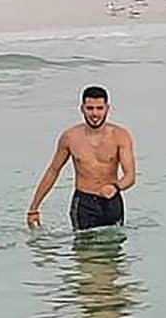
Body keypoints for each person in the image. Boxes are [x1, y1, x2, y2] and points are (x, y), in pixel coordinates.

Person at [26, 86, 136, 230]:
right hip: (83, 202)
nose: (95, 114)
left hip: (112, 201)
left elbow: (130, 176)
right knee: (83, 249)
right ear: (82, 109)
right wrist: (34, 208)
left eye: (99, 108)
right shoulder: (70, 137)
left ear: (107, 109)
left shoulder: (120, 136)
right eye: (90, 108)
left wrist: (115, 187)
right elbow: (53, 171)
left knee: (113, 249)